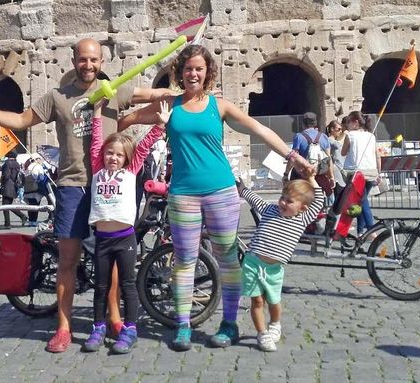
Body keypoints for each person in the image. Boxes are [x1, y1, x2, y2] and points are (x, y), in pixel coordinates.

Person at [0, 37, 173, 353]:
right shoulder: (57, 97)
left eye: (93, 59)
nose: (88, 65)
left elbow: (156, 94)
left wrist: (191, 92)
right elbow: (21, 120)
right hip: (72, 185)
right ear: (74, 60)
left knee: (113, 260)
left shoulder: (115, 90)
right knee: (67, 259)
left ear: (102, 62)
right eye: (83, 59)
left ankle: (115, 319)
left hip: (109, 186)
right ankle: (63, 327)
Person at [118, 44, 312, 351]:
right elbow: (127, 119)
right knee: (184, 261)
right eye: (188, 69)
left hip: (221, 191)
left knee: (227, 260)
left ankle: (229, 324)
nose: (193, 74)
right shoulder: (170, 105)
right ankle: (183, 325)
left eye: (199, 68)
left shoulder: (219, 106)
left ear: (208, 72)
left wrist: (294, 156)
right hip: (183, 193)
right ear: (180, 72)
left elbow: (259, 130)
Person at [83, 99, 168, 354]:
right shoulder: (97, 170)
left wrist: (160, 126)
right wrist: (97, 112)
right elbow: (96, 141)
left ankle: (130, 329)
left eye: (119, 155)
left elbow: (143, 147)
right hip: (102, 239)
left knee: (128, 285)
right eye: (110, 153)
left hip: (124, 238)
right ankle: (98, 327)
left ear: (126, 158)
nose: (113, 157)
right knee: (101, 286)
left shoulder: (131, 172)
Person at [237, 173, 325, 352]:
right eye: (282, 198)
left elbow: (319, 200)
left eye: (289, 201)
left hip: (274, 270)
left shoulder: (302, 219)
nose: (283, 203)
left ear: (303, 208)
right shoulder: (270, 209)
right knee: (257, 301)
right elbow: (255, 199)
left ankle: (275, 324)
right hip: (253, 263)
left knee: (274, 302)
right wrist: (242, 189)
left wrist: (311, 178)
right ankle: (262, 334)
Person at [340, 111, 381, 235]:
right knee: (361, 201)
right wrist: (379, 172)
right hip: (371, 171)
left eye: (348, 122)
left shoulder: (350, 135)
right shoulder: (371, 136)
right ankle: (360, 232)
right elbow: (377, 155)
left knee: (363, 201)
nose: (347, 125)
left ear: (355, 122)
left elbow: (343, 152)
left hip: (357, 173)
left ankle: (371, 230)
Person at [286, 112, 334, 196]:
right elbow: (328, 159)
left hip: (303, 175)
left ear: (303, 123)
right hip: (319, 174)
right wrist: (331, 177)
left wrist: (286, 173)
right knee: (321, 198)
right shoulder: (324, 137)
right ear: (315, 123)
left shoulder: (299, 136)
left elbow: (293, 157)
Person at [0, 151, 28, 228]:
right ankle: (21, 216)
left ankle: (8, 223)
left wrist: (1, 180)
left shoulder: (7, 163)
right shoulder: (17, 164)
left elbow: (6, 175)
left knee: (5, 206)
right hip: (14, 186)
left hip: (7, 186)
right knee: (8, 205)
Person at [326, 120, 346, 193]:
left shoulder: (336, 140)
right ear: (332, 129)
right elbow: (336, 145)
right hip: (336, 170)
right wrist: (344, 135)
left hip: (342, 170)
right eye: (339, 129)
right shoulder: (329, 140)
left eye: (341, 130)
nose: (340, 131)